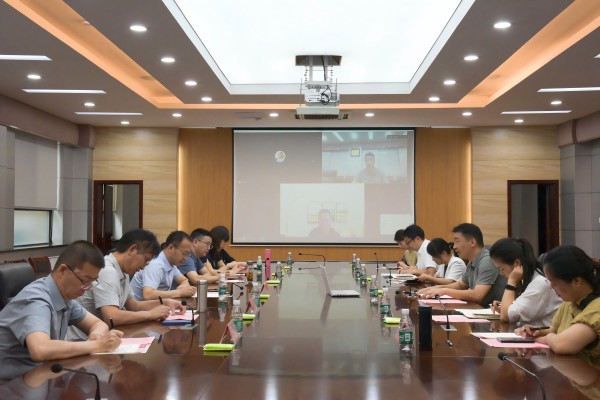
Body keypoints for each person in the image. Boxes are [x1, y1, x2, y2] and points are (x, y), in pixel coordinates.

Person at [0, 241, 123, 380]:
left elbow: (98, 324)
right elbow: (40, 349)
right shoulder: (36, 300)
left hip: (37, 377)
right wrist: (96, 345)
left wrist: (96, 336)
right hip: (9, 384)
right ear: (63, 270)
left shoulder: (65, 298)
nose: (87, 288)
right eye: (85, 280)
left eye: (92, 281)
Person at [68, 229, 185, 340]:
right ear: (132, 249)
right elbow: (112, 317)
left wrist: (166, 302)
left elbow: (135, 306)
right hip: (84, 341)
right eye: (145, 260)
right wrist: (150, 314)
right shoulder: (108, 270)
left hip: (105, 337)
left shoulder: (122, 271)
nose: (143, 267)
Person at [518, 245, 600, 360]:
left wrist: (547, 338)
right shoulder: (569, 303)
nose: (551, 287)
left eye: (555, 283)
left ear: (577, 281)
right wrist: (536, 331)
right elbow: (554, 330)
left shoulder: (596, 308)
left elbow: (562, 345)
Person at [417, 223, 506, 307]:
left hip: (490, 313)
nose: (454, 247)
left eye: (457, 241)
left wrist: (444, 291)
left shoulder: (487, 261)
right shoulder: (472, 261)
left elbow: (477, 295)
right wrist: (437, 288)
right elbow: (461, 285)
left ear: (472, 242)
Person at [489, 237, 561, 326]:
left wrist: (511, 282)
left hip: (545, 334)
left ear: (517, 263)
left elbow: (505, 316)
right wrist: (504, 306)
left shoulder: (540, 283)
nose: (501, 273)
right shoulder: (527, 279)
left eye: (502, 268)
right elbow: (510, 312)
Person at [130, 230, 197, 301]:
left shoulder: (171, 264)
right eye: (184, 253)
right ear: (171, 248)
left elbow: (184, 280)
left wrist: (183, 287)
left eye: (188, 255)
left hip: (155, 305)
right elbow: (148, 295)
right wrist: (179, 292)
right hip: (138, 307)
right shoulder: (156, 264)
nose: (185, 258)